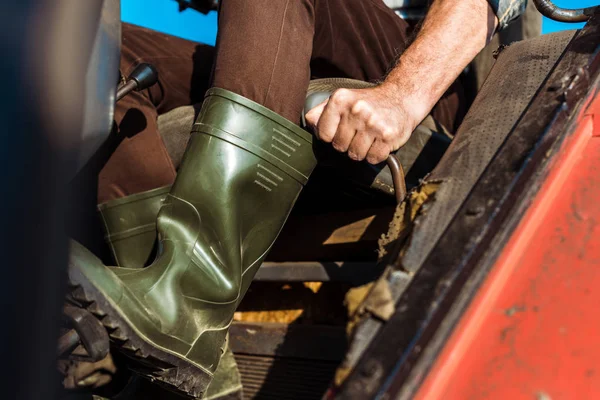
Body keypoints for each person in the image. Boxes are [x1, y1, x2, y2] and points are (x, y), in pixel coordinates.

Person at [69, 0, 528, 398]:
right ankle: (183, 346)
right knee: (99, 49)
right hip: (293, 38)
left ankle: (193, 297)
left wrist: (402, 98)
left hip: (425, 70)